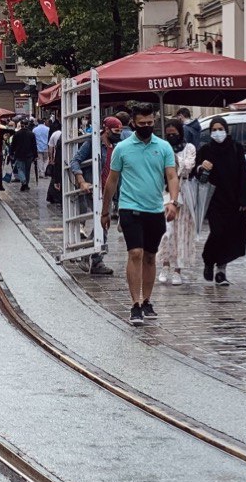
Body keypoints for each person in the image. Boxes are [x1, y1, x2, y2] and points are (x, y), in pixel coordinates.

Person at [102, 103, 179, 326]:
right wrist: (105, 211)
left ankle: (147, 300)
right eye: (142, 123)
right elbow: (112, 181)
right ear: (133, 123)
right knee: (135, 252)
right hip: (130, 207)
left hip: (155, 208)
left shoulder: (163, 147)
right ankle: (135, 303)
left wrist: (173, 202)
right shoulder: (123, 148)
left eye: (150, 123)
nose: (146, 126)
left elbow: (172, 176)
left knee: (149, 255)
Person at [193, 117, 246, 286]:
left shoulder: (236, 149)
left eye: (220, 129)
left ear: (226, 130)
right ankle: (208, 260)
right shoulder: (206, 150)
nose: (217, 132)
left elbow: (244, 174)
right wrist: (201, 167)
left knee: (230, 237)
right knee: (217, 233)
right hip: (213, 200)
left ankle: (221, 271)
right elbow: (196, 173)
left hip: (233, 200)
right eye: (214, 129)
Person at [69, 117, 122, 276]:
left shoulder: (117, 146)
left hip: (108, 191)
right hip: (93, 188)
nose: (118, 134)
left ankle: (93, 256)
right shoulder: (93, 143)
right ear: (106, 129)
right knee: (102, 223)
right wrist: (81, 181)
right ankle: (93, 255)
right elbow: (75, 161)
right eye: (116, 131)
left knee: (104, 224)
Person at [156, 118, 197, 286]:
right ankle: (165, 265)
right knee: (167, 231)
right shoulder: (162, 148)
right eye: (169, 134)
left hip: (184, 193)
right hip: (165, 192)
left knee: (182, 232)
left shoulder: (189, 148)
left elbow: (187, 167)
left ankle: (178, 269)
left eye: (175, 134)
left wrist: (173, 161)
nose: (172, 137)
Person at [11, 119, 37, 191]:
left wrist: (11, 153)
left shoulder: (17, 134)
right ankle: (26, 184)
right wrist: (35, 155)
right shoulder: (31, 134)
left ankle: (23, 182)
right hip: (29, 155)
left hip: (19, 154)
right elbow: (34, 146)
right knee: (27, 170)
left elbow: (13, 145)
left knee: (20, 169)